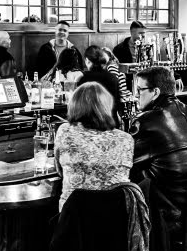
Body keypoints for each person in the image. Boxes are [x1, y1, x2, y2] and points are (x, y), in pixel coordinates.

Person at [130, 66, 187, 232]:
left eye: (140, 90)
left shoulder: (146, 121)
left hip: (176, 217)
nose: (136, 95)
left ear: (155, 92)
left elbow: (126, 163)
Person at [53, 83, 134, 211]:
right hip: (114, 218)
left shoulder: (65, 132)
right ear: (107, 107)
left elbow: (59, 170)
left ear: (74, 105)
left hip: (72, 220)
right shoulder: (125, 139)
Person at [78, 46, 123, 117]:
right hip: (110, 121)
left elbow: (80, 106)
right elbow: (117, 103)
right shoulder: (112, 77)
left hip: (90, 123)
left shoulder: (83, 78)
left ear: (87, 60)